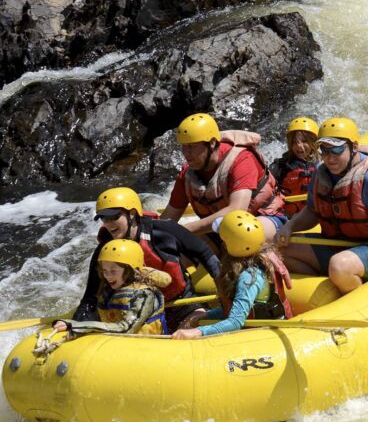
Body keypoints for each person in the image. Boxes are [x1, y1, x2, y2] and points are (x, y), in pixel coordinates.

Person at [275, 117, 368, 298]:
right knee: (279, 250)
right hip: (339, 244)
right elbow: (312, 211)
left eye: (337, 149)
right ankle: (332, 290)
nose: (329, 157)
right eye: (324, 150)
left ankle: (361, 297)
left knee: (340, 265)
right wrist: (289, 227)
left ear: (354, 147)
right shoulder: (321, 174)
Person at [73, 187, 221, 333]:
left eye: (115, 217)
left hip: (181, 305)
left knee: (189, 328)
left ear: (131, 214)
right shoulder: (106, 250)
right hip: (134, 310)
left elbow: (205, 254)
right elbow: (89, 300)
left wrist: (225, 291)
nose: (109, 224)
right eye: (104, 218)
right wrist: (74, 327)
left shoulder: (164, 231)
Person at [160, 113, 286, 241]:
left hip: (265, 218)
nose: (186, 154)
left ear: (212, 143)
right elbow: (168, 217)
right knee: (172, 250)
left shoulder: (241, 159)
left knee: (242, 234)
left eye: (192, 147)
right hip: (217, 229)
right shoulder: (188, 173)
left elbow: (237, 211)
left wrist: (183, 230)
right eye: (184, 147)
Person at [172, 211, 293, 339]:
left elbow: (235, 322)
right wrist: (206, 315)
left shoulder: (249, 277)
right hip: (264, 326)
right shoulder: (256, 262)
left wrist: (198, 332)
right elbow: (245, 308)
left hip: (265, 336)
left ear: (226, 245)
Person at [55, 240, 170, 336]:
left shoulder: (145, 294)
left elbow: (126, 328)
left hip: (147, 348)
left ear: (129, 271)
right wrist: (72, 324)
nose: (107, 276)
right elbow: (98, 317)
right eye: (104, 270)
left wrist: (78, 326)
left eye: (113, 271)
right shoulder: (109, 291)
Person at [269, 117, 320, 217]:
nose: (299, 146)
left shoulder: (323, 164)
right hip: (287, 216)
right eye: (294, 142)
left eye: (304, 141)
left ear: (314, 142)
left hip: (314, 216)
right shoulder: (280, 166)